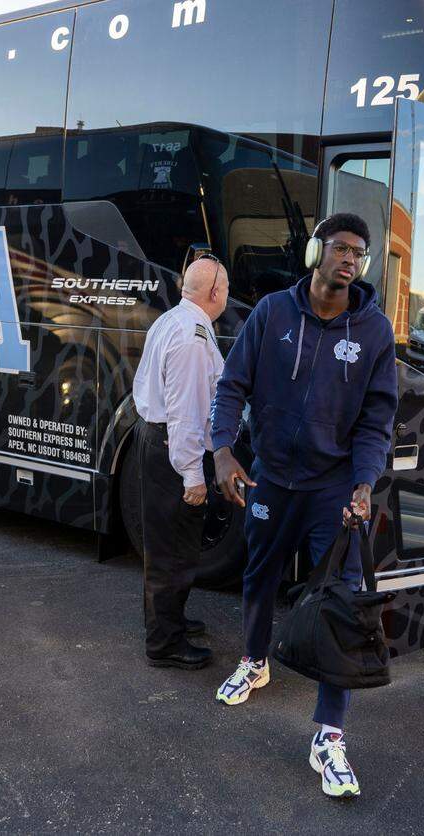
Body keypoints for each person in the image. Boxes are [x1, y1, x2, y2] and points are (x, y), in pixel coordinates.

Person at [209, 214, 398, 798]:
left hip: (333, 490)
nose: (349, 260)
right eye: (340, 248)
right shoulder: (271, 313)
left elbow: (376, 418)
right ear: (317, 251)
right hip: (272, 478)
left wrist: (364, 482)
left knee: (336, 600)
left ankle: (329, 736)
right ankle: (254, 658)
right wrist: (221, 450)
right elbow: (232, 385)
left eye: (359, 253)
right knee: (260, 576)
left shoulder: (374, 332)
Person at [131, 254, 229, 669]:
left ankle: (168, 621)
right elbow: (187, 412)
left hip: (156, 441)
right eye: (226, 287)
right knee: (174, 549)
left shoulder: (171, 320)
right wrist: (193, 476)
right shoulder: (192, 338)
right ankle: (164, 643)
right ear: (214, 292)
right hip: (174, 449)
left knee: (167, 545)